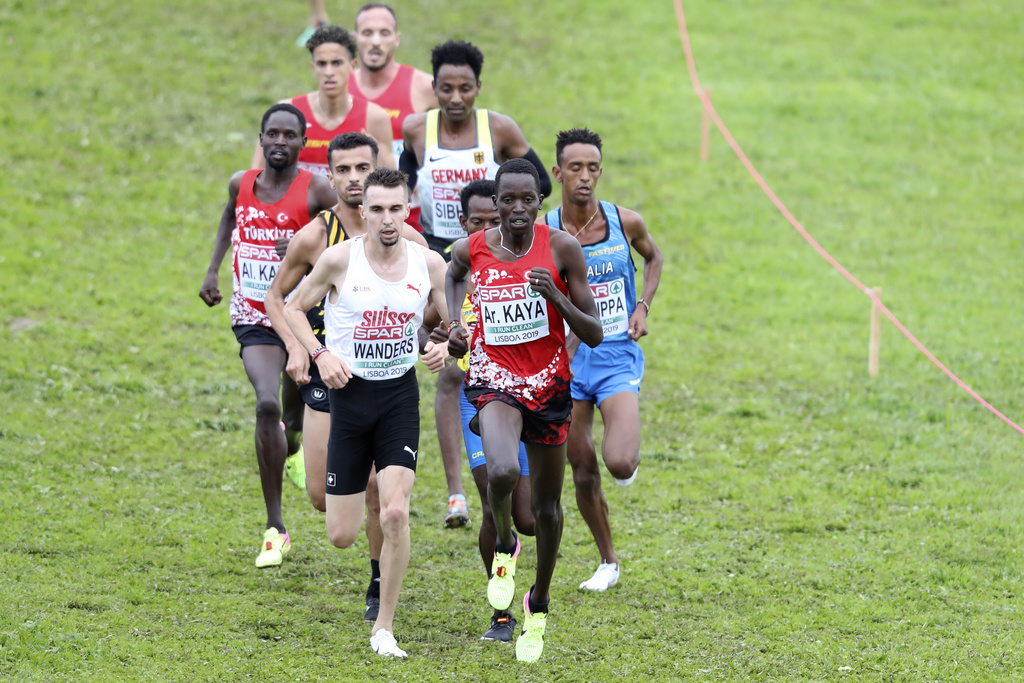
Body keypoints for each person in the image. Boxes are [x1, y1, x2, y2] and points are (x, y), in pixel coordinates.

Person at [284, 166, 450, 658]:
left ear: (408, 209)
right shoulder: (339, 260)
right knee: (341, 534)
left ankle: (384, 625)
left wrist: (446, 347)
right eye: (376, 209)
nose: (386, 219)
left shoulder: (429, 264)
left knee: (396, 511)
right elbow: (294, 307)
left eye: (396, 208)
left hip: (399, 397)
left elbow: (461, 319)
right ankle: (373, 590)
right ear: (363, 212)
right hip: (349, 401)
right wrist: (320, 355)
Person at [445, 159, 603, 663]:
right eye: (506, 201)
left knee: (548, 512)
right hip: (494, 379)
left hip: (550, 388)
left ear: (540, 201)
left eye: (526, 200)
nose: (516, 210)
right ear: (495, 204)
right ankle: (505, 547)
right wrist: (454, 324)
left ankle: (539, 601)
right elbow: (451, 274)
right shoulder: (471, 248)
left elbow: (594, 331)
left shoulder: (561, 248)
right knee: (504, 470)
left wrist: (554, 293)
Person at [264, 132, 427, 620]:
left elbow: (429, 298)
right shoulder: (318, 236)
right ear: (330, 176)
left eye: (363, 168)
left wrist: (437, 341)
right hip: (326, 375)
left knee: (384, 492)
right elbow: (278, 299)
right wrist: (301, 349)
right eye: (344, 170)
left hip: (387, 384)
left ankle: (379, 579)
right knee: (323, 499)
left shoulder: (406, 236)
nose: (354, 178)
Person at [402, 39, 553, 526]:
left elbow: (539, 188)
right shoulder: (415, 129)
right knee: (450, 368)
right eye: (445, 87)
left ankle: (508, 450)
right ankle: (456, 491)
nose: (455, 97)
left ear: (478, 88)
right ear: (433, 87)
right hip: (439, 254)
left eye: (465, 87)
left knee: (484, 354)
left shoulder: (499, 128)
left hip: (493, 253)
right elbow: (404, 188)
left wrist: (501, 217)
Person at [199, 103, 337, 568]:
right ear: (262, 140)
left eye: (288, 135)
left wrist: (302, 246)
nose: (279, 142)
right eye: (271, 135)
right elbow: (228, 218)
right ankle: (275, 526)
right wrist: (213, 270)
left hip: (302, 318)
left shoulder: (316, 188)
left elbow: (341, 238)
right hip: (253, 316)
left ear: (302, 142)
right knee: (267, 403)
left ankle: (292, 444)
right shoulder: (242, 183)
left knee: (293, 418)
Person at [544, 128, 664, 592]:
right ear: (557, 173)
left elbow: (654, 259)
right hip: (566, 364)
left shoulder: (623, 221)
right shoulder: (547, 232)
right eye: (575, 168)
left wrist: (643, 306)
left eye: (593, 167)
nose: (585, 177)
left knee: (618, 462)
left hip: (614, 354)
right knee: (582, 467)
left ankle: (626, 452)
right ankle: (608, 560)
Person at [453, 180, 535, 641]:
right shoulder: (458, 266)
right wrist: (440, 339)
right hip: (480, 396)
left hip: (531, 393)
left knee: (527, 517)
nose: (490, 228)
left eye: (494, 219)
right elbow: (430, 323)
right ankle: (501, 614)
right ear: (465, 225)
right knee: (489, 497)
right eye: (479, 222)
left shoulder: (529, 258)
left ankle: (514, 540)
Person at [253, 25, 396, 175]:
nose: (329, 72)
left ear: (352, 66)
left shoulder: (375, 118)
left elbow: (391, 186)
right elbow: (254, 180)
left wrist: (374, 154)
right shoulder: (285, 114)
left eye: (336, 63)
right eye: (322, 64)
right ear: (314, 68)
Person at [348, 2, 436, 230]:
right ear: (355, 37)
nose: (375, 41)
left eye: (384, 33)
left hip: (414, 218)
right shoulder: (339, 89)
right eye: (367, 33)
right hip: (356, 217)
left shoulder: (425, 86)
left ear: (396, 39)